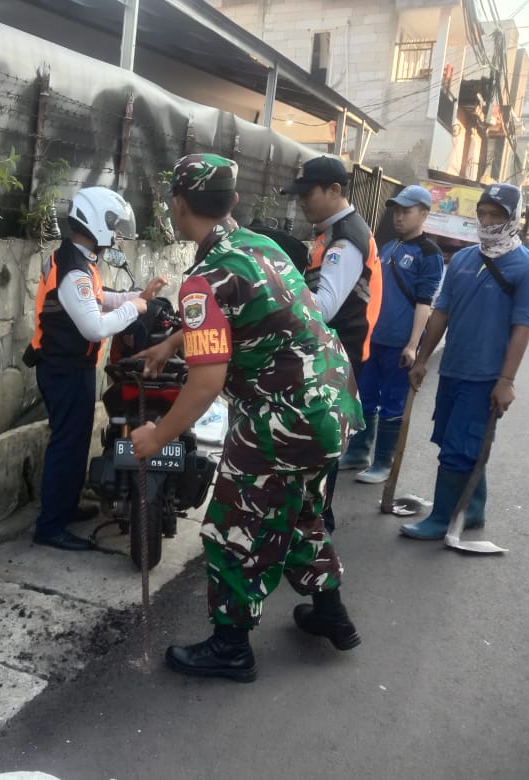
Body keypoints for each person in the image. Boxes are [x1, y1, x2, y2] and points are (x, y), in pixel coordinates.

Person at [130, 154, 363, 682]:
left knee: (233, 528)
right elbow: (251, 314)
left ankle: (231, 646)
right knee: (300, 512)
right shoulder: (260, 247)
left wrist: (157, 435)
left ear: (178, 205)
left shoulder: (202, 281)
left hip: (281, 420)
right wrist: (173, 342)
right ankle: (330, 613)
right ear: (234, 202)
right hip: (332, 405)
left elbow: (207, 382)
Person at [23, 187, 167, 551]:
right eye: (113, 226)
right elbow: (95, 326)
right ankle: (50, 527)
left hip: (70, 367)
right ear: (97, 223)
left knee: (73, 445)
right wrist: (133, 310)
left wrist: (138, 298)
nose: (116, 234)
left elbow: (99, 298)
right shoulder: (74, 271)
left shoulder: (77, 260)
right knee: (66, 446)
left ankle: (65, 508)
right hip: (63, 369)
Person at [401, 184, 529, 539]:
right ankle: (474, 507)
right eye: (482, 213)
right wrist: (422, 359)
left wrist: (506, 380)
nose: (487, 220)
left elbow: (523, 327)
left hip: (485, 377)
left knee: (458, 450)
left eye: (496, 214)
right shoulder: (464, 259)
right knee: (458, 442)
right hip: (452, 368)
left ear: (514, 218)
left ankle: (441, 519)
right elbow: (441, 312)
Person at [282, 156, 381, 533]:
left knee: (324, 443)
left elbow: (323, 306)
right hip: (329, 353)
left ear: (335, 190)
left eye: (308, 194)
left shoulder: (347, 239)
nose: (302, 202)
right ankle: (312, 523)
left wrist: (280, 296)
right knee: (319, 439)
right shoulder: (332, 233)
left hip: (339, 356)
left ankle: (318, 527)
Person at [339, 185, 444, 483]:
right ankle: (360, 451)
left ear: (424, 214)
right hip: (375, 339)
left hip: (401, 343)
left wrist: (413, 345)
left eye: (406, 212)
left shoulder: (429, 253)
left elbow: (426, 302)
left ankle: (383, 462)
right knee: (366, 398)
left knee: (393, 404)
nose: (398, 217)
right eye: (396, 211)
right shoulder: (387, 247)